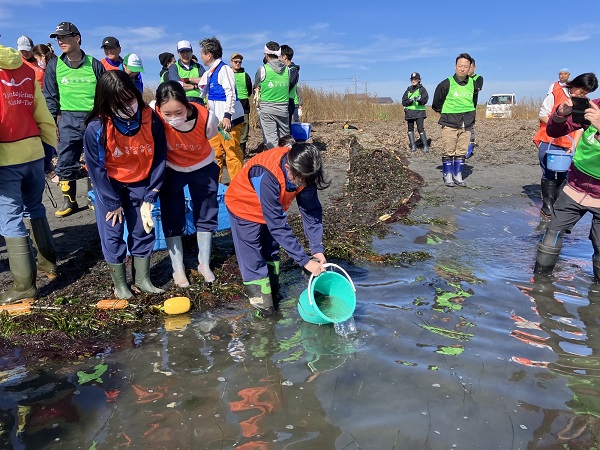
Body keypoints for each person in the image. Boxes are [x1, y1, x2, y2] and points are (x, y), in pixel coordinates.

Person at [83, 70, 167, 299]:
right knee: (112, 233)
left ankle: (142, 280)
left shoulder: (151, 118)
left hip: (140, 182)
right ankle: (120, 285)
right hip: (109, 186)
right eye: (119, 102)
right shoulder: (97, 127)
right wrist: (112, 203)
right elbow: (96, 169)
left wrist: (152, 193)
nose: (127, 106)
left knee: (143, 230)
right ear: (106, 102)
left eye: (130, 99)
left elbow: (160, 156)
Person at [225, 141, 329, 317]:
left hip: (273, 209)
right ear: (288, 168)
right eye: (300, 182)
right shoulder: (268, 174)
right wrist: (304, 260)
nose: (303, 186)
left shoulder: (305, 172)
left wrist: (317, 248)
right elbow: (277, 224)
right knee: (254, 261)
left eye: (307, 183)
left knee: (271, 253)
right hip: (243, 207)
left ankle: (273, 295)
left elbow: (311, 212)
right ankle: (263, 311)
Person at [0, 44, 58, 305]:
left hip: (5, 157)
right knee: (34, 207)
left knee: (10, 219)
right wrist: (49, 149)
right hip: (34, 150)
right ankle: (49, 264)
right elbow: (41, 112)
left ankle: (24, 286)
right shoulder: (25, 68)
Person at [153, 81, 220, 286]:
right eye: (168, 114)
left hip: (203, 166)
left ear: (186, 103)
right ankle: (178, 269)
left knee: (206, 211)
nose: (173, 118)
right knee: (172, 214)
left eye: (178, 112)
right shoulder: (152, 113)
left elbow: (211, 135)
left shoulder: (206, 117)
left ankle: (204, 264)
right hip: (172, 168)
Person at [534, 87, 600, 279]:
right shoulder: (593, 106)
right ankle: (540, 287)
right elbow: (555, 130)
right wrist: (561, 115)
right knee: (552, 233)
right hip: (576, 187)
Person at [43, 21, 105, 217]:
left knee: (98, 159)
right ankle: (69, 201)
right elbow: (51, 97)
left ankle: (95, 197)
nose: (61, 41)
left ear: (77, 38)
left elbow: (105, 94)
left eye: (65, 37)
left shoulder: (95, 64)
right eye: (58, 38)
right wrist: (49, 123)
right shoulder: (54, 66)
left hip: (94, 118)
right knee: (66, 160)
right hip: (68, 119)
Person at [532, 73, 597, 218]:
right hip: (548, 140)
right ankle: (547, 206)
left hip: (568, 143)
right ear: (575, 84)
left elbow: (580, 126)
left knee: (564, 173)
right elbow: (543, 115)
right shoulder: (556, 94)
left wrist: (575, 145)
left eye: (586, 93)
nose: (582, 96)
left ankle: (557, 203)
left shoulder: (584, 102)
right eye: (581, 92)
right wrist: (560, 119)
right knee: (548, 172)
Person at [199, 37, 245, 183]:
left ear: (209, 54)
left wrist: (227, 116)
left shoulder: (225, 70)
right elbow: (200, 84)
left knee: (232, 153)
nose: (201, 56)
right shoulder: (210, 72)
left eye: (202, 53)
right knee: (215, 153)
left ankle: (238, 187)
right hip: (216, 122)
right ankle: (215, 185)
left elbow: (231, 92)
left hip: (229, 120)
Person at [432, 53, 476, 187]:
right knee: (448, 150)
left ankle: (458, 175)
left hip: (467, 123)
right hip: (449, 122)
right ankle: (448, 175)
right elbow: (436, 103)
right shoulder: (446, 83)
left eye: (465, 66)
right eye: (460, 66)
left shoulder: (473, 83)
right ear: (455, 67)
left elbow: (473, 101)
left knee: (462, 151)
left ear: (470, 68)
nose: (462, 69)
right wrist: (447, 114)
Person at [254, 41, 298, 149]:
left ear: (266, 54)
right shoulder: (287, 70)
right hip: (283, 108)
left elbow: (256, 85)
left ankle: (275, 163)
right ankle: (287, 160)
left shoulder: (262, 69)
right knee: (286, 138)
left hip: (267, 108)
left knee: (271, 140)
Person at [168, 40, 205, 105]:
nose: (185, 54)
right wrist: (195, 86)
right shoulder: (173, 67)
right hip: (181, 101)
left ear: (191, 52)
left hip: (199, 101)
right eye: (182, 52)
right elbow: (177, 86)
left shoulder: (199, 67)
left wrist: (188, 79)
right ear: (178, 54)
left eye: (187, 51)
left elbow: (205, 82)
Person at [230, 52, 253, 155]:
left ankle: (242, 152)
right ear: (231, 62)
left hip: (244, 105)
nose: (238, 63)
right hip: (231, 106)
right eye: (236, 61)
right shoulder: (227, 74)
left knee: (244, 129)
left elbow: (249, 90)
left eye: (240, 62)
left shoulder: (246, 75)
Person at [401, 72, 429, 153]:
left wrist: (419, 100)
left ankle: (425, 146)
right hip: (409, 112)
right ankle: (413, 146)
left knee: (420, 129)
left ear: (419, 80)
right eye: (412, 79)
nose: (413, 80)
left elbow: (425, 100)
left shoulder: (422, 89)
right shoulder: (408, 90)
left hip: (419, 112)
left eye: (415, 79)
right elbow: (404, 101)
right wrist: (410, 101)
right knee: (410, 129)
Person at [279, 44, 301, 124]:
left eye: (279, 56)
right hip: (281, 100)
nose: (277, 58)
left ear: (284, 56)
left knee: (286, 127)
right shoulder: (283, 70)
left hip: (288, 101)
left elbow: (289, 86)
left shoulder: (293, 70)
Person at [466, 58, 484, 158]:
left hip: (471, 106)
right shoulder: (461, 79)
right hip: (460, 106)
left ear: (474, 67)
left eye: (470, 67)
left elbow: (477, 88)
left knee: (470, 126)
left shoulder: (478, 78)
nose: (468, 69)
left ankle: (471, 144)